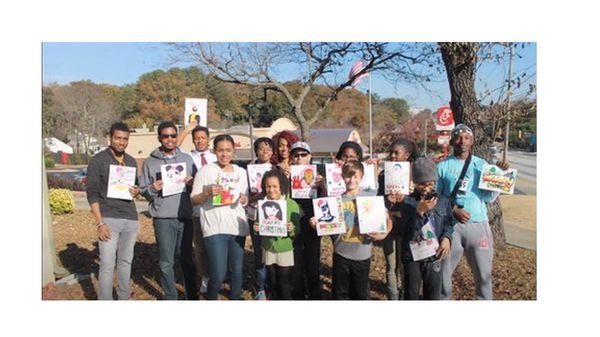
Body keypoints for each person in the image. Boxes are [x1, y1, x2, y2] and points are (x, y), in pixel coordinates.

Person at [437, 124, 510, 300]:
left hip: (478, 225)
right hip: (451, 228)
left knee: (483, 276)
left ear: (472, 141)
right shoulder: (442, 167)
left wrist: (501, 176)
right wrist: (453, 210)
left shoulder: (482, 165)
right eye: (458, 137)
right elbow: (437, 198)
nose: (462, 141)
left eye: (467, 137)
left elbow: (489, 198)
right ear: (452, 140)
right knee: (443, 275)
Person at [311, 160, 391, 300]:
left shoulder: (370, 198)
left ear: (362, 177)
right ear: (342, 177)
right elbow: (326, 225)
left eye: (355, 176)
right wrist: (316, 224)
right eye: (348, 176)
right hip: (341, 253)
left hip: (362, 255)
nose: (351, 180)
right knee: (340, 293)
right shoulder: (336, 200)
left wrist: (384, 231)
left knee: (360, 293)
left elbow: (387, 220)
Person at [139, 121, 197, 300]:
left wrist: (192, 183)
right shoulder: (150, 162)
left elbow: (197, 187)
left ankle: (192, 296)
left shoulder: (187, 159)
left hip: (185, 216)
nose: (170, 139)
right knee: (166, 262)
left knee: (187, 259)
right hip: (163, 218)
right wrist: (153, 188)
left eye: (173, 135)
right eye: (165, 136)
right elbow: (143, 191)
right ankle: (171, 296)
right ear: (159, 138)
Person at [191, 134, 249, 300]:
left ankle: (235, 298)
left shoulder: (241, 172)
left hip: (237, 227)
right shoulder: (205, 171)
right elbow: (193, 200)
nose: (224, 154)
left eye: (228, 150)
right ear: (214, 151)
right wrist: (206, 192)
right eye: (221, 150)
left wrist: (244, 199)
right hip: (214, 227)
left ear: (234, 151)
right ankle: (211, 298)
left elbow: (244, 198)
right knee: (218, 273)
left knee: (237, 271)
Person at [86, 122, 140, 300]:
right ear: (110, 138)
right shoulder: (98, 160)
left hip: (130, 218)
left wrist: (136, 191)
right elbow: (92, 194)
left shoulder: (131, 161)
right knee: (107, 264)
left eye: (125, 139)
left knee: (126, 262)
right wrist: (100, 223)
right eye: (118, 138)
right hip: (109, 219)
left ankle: (124, 297)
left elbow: (135, 189)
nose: (121, 142)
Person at [400, 157, 453, 300]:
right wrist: (419, 212)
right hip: (412, 256)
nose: (426, 188)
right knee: (411, 294)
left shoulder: (442, 201)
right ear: (415, 183)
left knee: (433, 294)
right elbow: (408, 232)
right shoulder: (407, 202)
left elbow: (449, 222)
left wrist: (447, 238)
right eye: (422, 184)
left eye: (430, 184)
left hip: (434, 255)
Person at [177, 121, 216, 295]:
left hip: (215, 209)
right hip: (196, 209)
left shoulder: (216, 157)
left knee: (215, 245)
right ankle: (205, 277)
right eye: (196, 138)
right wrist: (187, 130)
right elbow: (173, 145)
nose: (200, 141)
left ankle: (218, 275)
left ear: (208, 139)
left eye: (203, 138)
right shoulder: (187, 157)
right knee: (199, 246)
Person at [376, 138, 416, 300]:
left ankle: (406, 295)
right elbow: (378, 198)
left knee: (405, 264)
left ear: (407, 155)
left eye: (396, 153)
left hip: (408, 225)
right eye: (390, 152)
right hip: (390, 223)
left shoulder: (415, 173)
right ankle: (393, 297)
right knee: (391, 265)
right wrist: (387, 202)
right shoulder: (384, 174)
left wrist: (408, 195)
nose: (392, 156)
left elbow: (421, 198)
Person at [252, 169, 301, 300]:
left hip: (284, 248)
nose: (271, 189)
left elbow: (297, 229)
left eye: (275, 186)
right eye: (268, 186)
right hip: (268, 248)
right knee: (272, 280)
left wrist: (292, 228)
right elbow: (258, 224)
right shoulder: (262, 204)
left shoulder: (291, 204)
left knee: (284, 282)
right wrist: (256, 228)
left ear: (282, 187)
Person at [288, 141, 326, 299]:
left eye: (303, 154)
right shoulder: (287, 174)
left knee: (312, 262)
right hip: (293, 221)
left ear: (310, 156)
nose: (299, 158)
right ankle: (298, 295)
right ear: (291, 158)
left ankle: (315, 294)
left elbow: (330, 198)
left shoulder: (319, 173)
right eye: (295, 155)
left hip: (312, 222)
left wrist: (323, 185)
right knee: (296, 262)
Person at [246, 137, 275, 300]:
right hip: (255, 215)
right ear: (256, 150)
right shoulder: (248, 169)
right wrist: (251, 197)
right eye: (261, 148)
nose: (265, 151)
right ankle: (260, 287)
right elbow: (244, 196)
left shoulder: (276, 169)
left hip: (274, 216)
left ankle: (273, 284)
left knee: (272, 251)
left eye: (269, 148)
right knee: (259, 253)